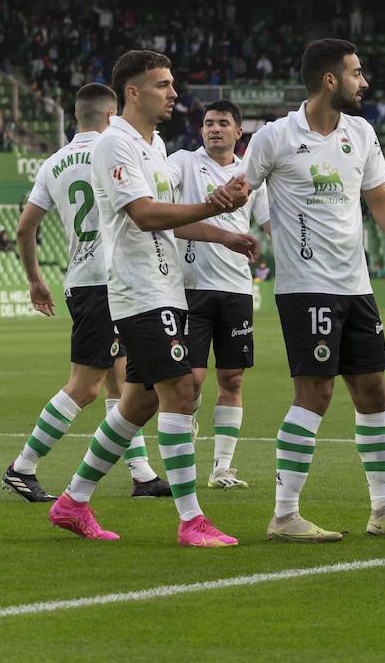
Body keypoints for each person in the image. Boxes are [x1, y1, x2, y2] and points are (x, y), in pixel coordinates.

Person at [46, 50, 257, 547]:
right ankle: (191, 521)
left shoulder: (155, 145)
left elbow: (170, 214)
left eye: (172, 83)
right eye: (162, 84)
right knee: (181, 391)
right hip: (137, 289)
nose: (173, 92)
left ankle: (73, 501)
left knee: (137, 404)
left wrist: (222, 234)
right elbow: (143, 214)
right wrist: (213, 203)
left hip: (167, 285)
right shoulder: (113, 145)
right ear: (133, 92)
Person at [241, 38, 385, 543]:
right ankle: (284, 515)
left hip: (356, 286)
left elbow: (379, 197)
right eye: (356, 73)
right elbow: (241, 190)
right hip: (305, 289)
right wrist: (227, 234)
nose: (363, 82)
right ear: (330, 80)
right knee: (316, 393)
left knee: (374, 392)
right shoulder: (275, 137)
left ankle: (384, 511)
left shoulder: (361, 132)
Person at [1, 83, 172, 502]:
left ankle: (142, 474)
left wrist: (35, 279)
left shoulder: (53, 164)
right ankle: (21, 467)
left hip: (82, 279)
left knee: (123, 380)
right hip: (110, 280)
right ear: (113, 113)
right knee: (86, 385)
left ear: (77, 117)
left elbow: (25, 228)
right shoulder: (119, 150)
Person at [166, 99, 272, 490]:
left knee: (232, 379)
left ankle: (222, 468)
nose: (214, 129)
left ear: (237, 131)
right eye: (209, 123)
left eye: (222, 123)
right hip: (190, 288)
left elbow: (270, 222)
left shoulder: (250, 174)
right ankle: (187, 422)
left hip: (236, 290)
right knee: (190, 380)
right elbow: (164, 201)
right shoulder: (183, 162)